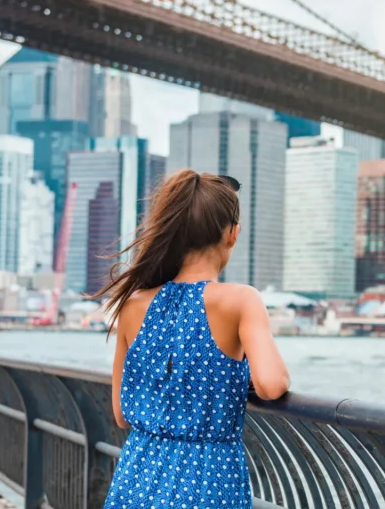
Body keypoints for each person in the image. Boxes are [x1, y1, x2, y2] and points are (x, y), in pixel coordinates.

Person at [99, 169, 290, 508]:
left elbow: (120, 413)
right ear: (233, 234)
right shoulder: (240, 300)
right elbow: (272, 385)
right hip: (208, 481)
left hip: (138, 475)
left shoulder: (133, 305)